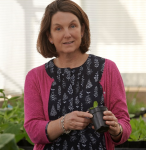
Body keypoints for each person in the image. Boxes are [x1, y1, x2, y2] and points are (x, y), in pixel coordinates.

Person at [24, 0, 131, 150]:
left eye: (73, 26)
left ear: (82, 30)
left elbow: (124, 124)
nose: (67, 34)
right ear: (49, 36)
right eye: (58, 28)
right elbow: (33, 130)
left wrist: (116, 129)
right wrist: (64, 123)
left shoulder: (107, 68)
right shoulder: (35, 77)